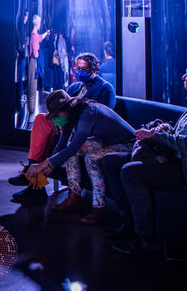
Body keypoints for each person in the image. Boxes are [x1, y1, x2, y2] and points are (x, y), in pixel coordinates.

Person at [103, 59, 187, 254]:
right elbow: (182, 135)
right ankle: (129, 221)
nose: (184, 77)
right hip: (175, 159)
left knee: (131, 172)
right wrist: (166, 129)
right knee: (111, 160)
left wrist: (157, 135)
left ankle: (147, 238)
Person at [9, 51, 117, 191]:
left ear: (95, 68)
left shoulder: (105, 88)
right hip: (65, 126)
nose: (81, 72)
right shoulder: (74, 87)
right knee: (42, 120)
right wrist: (54, 117)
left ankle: (35, 185)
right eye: (78, 69)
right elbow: (60, 107)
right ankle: (32, 168)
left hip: (84, 130)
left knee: (50, 139)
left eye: (85, 69)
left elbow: (104, 115)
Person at [24, 90, 136, 224]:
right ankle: (74, 198)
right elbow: (63, 144)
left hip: (128, 144)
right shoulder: (71, 116)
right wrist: (49, 168)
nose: (55, 119)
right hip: (107, 141)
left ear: (66, 108)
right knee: (72, 152)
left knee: (91, 157)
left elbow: (74, 147)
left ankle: (99, 207)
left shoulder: (88, 112)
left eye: (56, 114)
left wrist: (44, 164)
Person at [9, 112, 59, 204]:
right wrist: (53, 115)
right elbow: (64, 101)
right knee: (41, 118)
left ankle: (35, 182)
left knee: (57, 126)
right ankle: (33, 173)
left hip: (75, 124)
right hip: (66, 115)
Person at [27, 15, 50, 121]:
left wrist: (46, 33)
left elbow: (39, 38)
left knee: (33, 84)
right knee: (32, 85)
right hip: (34, 61)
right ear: (37, 23)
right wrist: (39, 56)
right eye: (40, 22)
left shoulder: (35, 35)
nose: (40, 24)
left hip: (33, 61)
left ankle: (31, 112)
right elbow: (35, 52)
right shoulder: (34, 36)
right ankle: (31, 113)